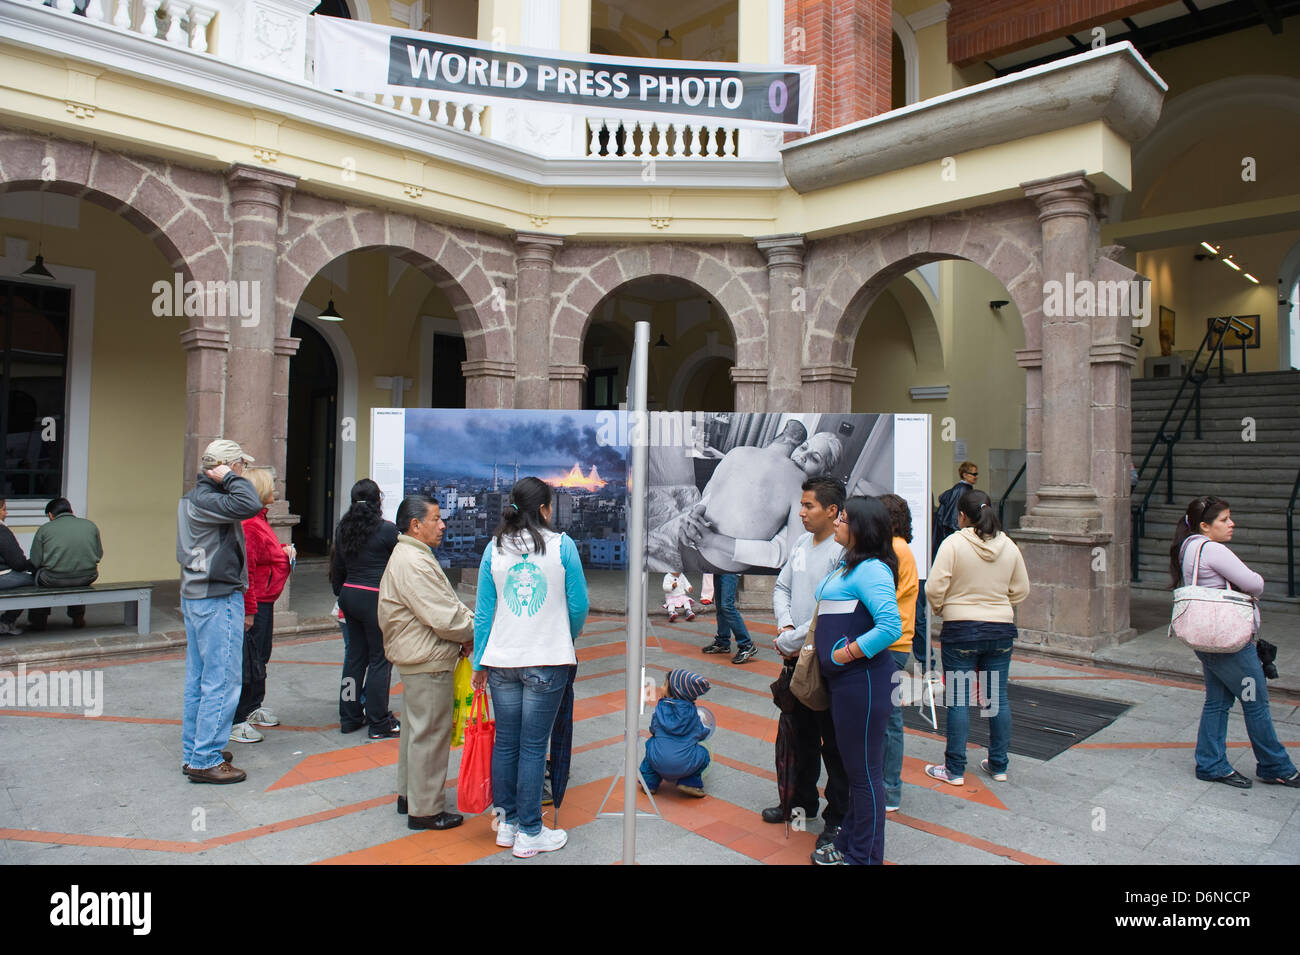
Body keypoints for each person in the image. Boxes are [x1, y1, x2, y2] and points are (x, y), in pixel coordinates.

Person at [471, 477, 589, 859]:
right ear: (544, 509)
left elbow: (484, 613)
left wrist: (478, 660)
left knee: (507, 743)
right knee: (534, 747)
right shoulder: (562, 546)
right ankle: (531, 832)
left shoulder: (494, 548)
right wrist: (563, 635)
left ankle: (506, 824)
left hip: (502, 660)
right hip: (546, 659)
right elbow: (579, 605)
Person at [1171, 496, 1299, 788]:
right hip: (1229, 642)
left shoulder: (1188, 546)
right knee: (1256, 703)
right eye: (1224, 519)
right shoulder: (1213, 549)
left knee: (1217, 701)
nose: (1232, 524)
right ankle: (1275, 765)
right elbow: (1256, 584)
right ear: (1205, 526)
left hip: (1208, 639)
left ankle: (1211, 764)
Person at [809, 496, 902, 866]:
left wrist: (847, 653)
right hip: (846, 683)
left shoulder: (873, 569)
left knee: (864, 776)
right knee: (855, 772)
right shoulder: (851, 564)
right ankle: (849, 842)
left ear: (862, 527)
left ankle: (863, 856)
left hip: (861, 681)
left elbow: (890, 626)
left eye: (844, 519)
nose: (837, 523)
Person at [380, 494, 476, 830]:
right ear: (415, 525)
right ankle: (426, 810)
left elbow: (444, 605)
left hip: (419, 655)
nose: (442, 525)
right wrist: (472, 631)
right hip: (428, 659)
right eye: (435, 519)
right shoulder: (414, 561)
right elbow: (445, 616)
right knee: (431, 734)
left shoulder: (412, 554)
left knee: (415, 730)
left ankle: (410, 795)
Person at [924, 489, 1029, 787]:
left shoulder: (953, 544)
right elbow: (1021, 589)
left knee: (958, 701)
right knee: (997, 699)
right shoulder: (1008, 545)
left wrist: (945, 607)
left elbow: (934, 587)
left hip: (961, 631)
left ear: (961, 515)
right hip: (1000, 631)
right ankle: (998, 765)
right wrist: (1000, 602)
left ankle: (954, 769)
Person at [766, 476, 848, 848]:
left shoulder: (842, 551)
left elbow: (825, 609)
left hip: (823, 660)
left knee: (832, 743)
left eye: (809, 506)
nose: (801, 512)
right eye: (801, 505)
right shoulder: (799, 543)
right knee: (799, 737)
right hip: (794, 657)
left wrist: (790, 639)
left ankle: (837, 818)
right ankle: (801, 803)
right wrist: (784, 626)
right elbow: (782, 586)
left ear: (832, 511)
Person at [177, 438, 263, 784]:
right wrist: (228, 475)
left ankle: (195, 750)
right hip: (216, 596)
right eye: (240, 466)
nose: (243, 472)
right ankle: (205, 758)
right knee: (221, 680)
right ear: (227, 466)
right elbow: (250, 502)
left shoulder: (194, 497)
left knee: (199, 679)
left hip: (198, 595)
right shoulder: (212, 497)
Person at [682, 427, 844, 573]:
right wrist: (697, 511)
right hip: (690, 546)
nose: (802, 456)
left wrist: (713, 540)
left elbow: (781, 554)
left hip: (717, 567)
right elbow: (723, 491)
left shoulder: (807, 500)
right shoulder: (779, 473)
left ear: (824, 473)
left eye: (814, 458)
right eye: (803, 447)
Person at [330, 479, 400, 739]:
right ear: (378, 500)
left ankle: (348, 717)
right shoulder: (386, 530)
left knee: (354, 659)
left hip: (350, 595)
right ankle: (379, 721)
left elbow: (337, 565)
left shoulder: (342, 529)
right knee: (380, 659)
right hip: (375, 598)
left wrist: (340, 592)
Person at [229, 468, 294, 744]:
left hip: (265, 599)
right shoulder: (250, 523)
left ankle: (253, 706)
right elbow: (249, 570)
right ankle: (238, 718)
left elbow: (264, 551)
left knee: (260, 655)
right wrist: (250, 609)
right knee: (251, 659)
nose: (276, 488)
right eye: (272, 484)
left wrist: (280, 549)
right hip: (258, 601)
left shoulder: (259, 520)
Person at [878, 494, 919, 813]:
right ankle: (886, 785)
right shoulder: (899, 547)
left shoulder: (895, 549)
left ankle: (890, 789)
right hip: (897, 642)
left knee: (890, 718)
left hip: (891, 644)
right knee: (887, 716)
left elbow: (883, 595)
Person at [27, 497, 103, 631]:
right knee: (76, 580)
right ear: (71, 510)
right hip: (87, 576)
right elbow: (99, 554)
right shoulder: (90, 525)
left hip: (53, 579)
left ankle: (39, 620)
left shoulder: (45, 529)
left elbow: (35, 561)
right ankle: (78, 617)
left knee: (37, 577)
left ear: (50, 515)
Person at [640, 668, 711, 797]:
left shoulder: (660, 708)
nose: (661, 687)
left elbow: (653, 729)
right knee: (704, 754)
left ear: (674, 692)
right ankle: (689, 782)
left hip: (657, 760)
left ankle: (649, 782)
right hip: (685, 764)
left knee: (651, 744)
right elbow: (701, 733)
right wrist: (706, 730)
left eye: (665, 684)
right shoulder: (693, 714)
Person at [700, 572, 757, 664]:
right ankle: (723, 641)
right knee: (720, 606)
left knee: (727, 606)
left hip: (731, 569)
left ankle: (746, 644)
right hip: (719, 568)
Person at [0, 498, 36, 636]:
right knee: (36, 582)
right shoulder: (2, 531)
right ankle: (6, 622)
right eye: (3, 509)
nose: (6, 513)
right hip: (3, 576)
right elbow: (18, 563)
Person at [931, 461, 977, 560]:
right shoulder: (962, 490)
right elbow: (954, 517)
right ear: (965, 475)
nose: (976, 477)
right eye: (973, 474)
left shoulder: (959, 489)